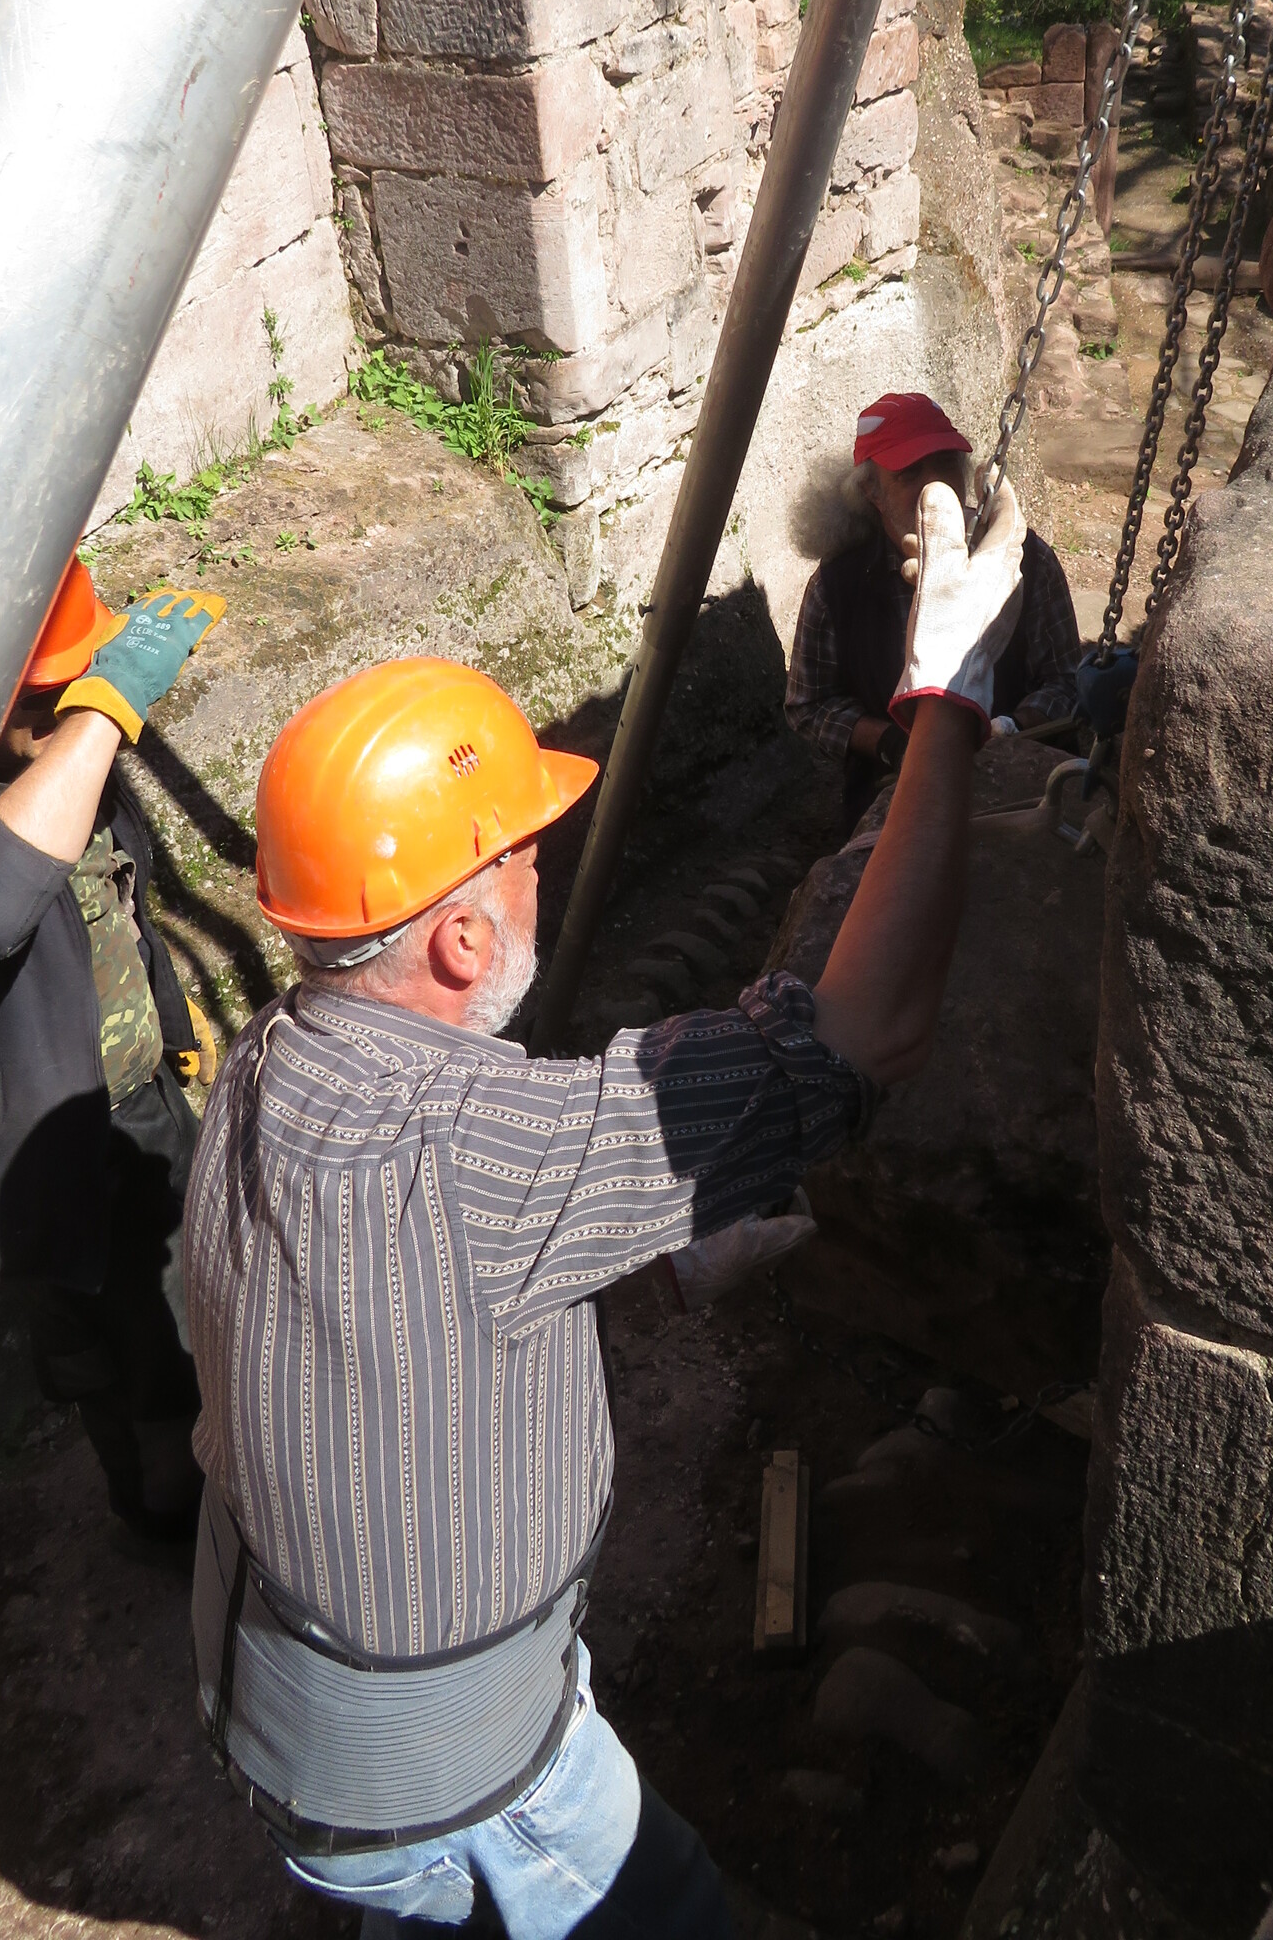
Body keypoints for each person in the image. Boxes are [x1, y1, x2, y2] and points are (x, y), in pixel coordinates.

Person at [183, 476, 1031, 1937]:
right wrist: (943, 704)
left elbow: (370, 1311)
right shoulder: (480, 1153)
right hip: (461, 1780)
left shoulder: (266, 1064)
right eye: (523, 854)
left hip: (277, 1710)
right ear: (461, 939)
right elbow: (858, 1035)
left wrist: (635, 1261)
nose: (541, 869)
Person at [0, 561, 225, 1537]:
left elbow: (124, 908)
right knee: (130, 1353)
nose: (69, 707)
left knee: (188, 1309)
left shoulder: (67, 761)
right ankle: (171, 1520)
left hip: (133, 1099)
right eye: (49, 694)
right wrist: (101, 713)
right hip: (37, 1142)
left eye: (83, 680)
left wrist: (170, 1027)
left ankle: (202, 1476)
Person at [787, 391, 1081, 827]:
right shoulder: (837, 587)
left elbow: (1066, 679)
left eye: (945, 464)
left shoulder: (1024, 559)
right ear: (871, 491)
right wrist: (890, 742)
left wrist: (1008, 730)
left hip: (1022, 792)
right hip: (892, 800)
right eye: (910, 473)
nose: (935, 487)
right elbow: (809, 704)